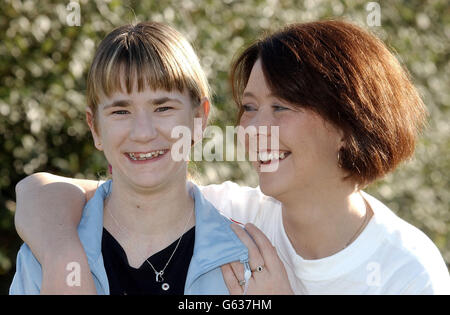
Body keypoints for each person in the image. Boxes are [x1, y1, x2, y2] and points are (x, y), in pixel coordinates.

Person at [13, 20, 450, 294]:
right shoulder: (238, 215)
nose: (255, 129)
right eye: (249, 106)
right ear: (95, 126)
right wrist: (63, 258)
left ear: (347, 124)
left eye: (281, 108)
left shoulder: (407, 271)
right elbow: (54, 190)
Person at [9, 21, 293, 295]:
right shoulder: (46, 258)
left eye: (163, 108)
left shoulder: (248, 263)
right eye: (121, 112)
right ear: (94, 127)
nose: (143, 133)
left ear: (199, 119)